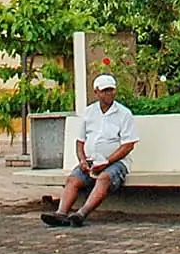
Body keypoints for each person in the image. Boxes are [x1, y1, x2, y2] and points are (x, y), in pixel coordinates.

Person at [43, 73, 137, 228]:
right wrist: (82, 160)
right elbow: (80, 141)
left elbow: (128, 145)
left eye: (111, 90)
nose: (109, 94)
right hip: (91, 161)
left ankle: (81, 213)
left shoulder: (124, 114)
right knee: (73, 179)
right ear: (97, 92)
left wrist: (107, 161)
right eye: (105, 90)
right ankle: (61, 213)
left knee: (104, 178)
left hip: (116, 162)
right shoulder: (89, 112)